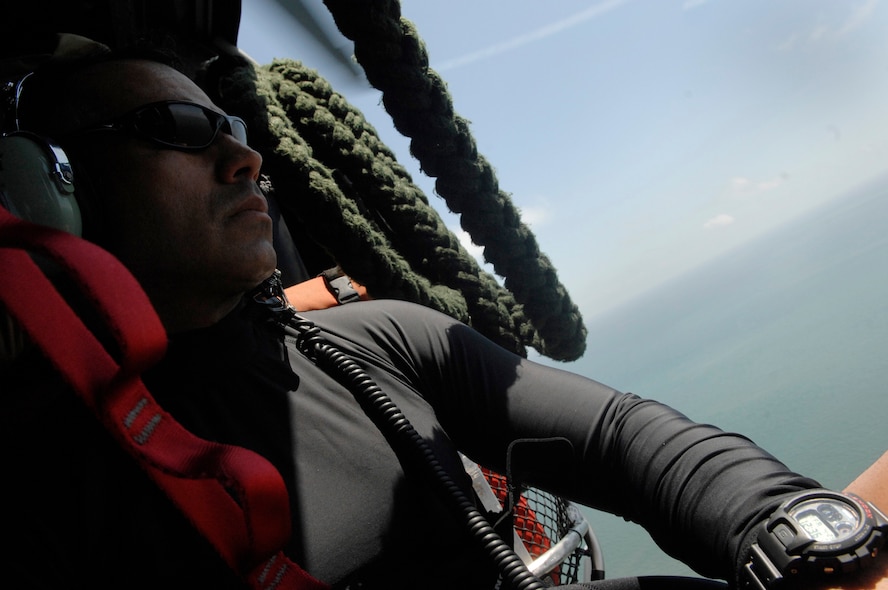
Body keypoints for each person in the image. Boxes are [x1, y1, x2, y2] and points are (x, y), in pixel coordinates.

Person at [1, 44, 886, 590]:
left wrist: (788, 527)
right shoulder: (39, 494)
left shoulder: (369, 339)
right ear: (51, 188)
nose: (243, 154)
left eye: (230, 122)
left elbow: (621, 437)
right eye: (180, 126)